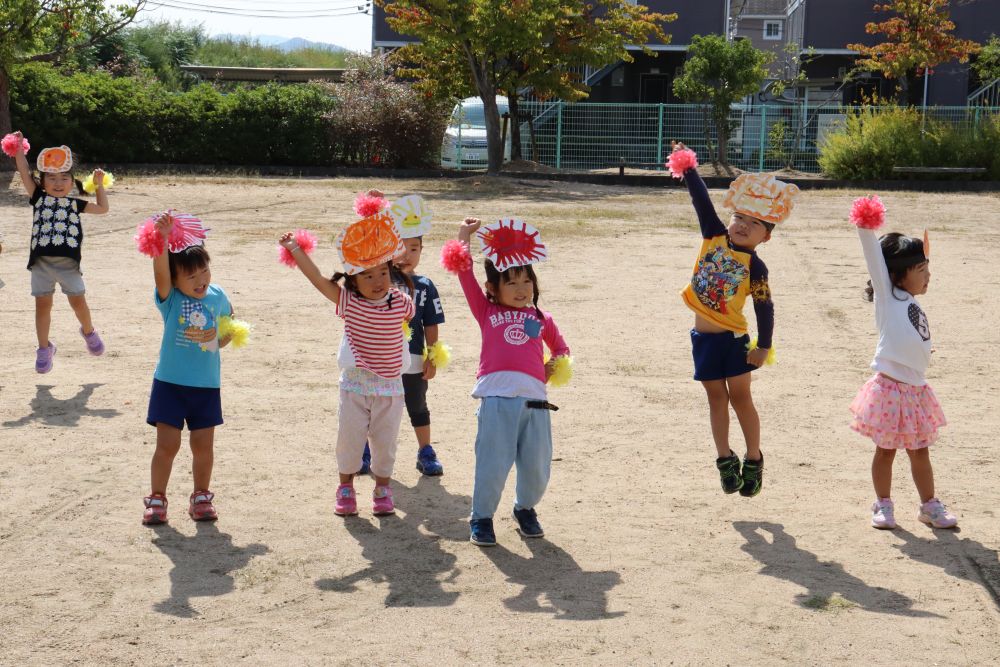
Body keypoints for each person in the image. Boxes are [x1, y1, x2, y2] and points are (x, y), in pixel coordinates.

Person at [673, 143, 799, 497]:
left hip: (733, 341)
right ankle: (724, 459)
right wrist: (688, 168)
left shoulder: (756, 267)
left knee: (741, 398)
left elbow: (764, 307)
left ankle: (754, 458)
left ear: (767, 236)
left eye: (754, 223)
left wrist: (765, 346)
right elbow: (701, 202)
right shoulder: (714, 237)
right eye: (739, 218)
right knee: (715, 399)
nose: (743, 226)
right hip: (703, 340)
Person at [444, 217, 571, 547]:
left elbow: (561, 349)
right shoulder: (486, 312)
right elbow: (463, 272)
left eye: (527, 281)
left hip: (536, 403)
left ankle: (525, 508)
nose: (521, 289)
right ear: (492, 288)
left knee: (537, 466)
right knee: (492, 462)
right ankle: (481, 517)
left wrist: (551, 368)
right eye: (511, 282)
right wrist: (463, 235)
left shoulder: (542, 318)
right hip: (497, 400)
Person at [278, 214, 414, 518]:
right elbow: (317, 279)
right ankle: (345, 488)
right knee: (349, 439)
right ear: (352, 280)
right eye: (367, 276)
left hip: (391, 387)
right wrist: (296, 249)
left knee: (385, 443)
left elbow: (402, 258)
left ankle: (382, 489)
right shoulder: (348, 302)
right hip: (355, 385)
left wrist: (378, 219)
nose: (377, 281)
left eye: (382, 273)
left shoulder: (401, 302)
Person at [848, 196, 956, 530]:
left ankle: (929, 506)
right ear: (896, 276)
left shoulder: (909, 300)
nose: (928, 276)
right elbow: (873, 257)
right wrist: (867, 226)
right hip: (889, 389)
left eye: (928, 269)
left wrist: (924, 351)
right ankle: (883, 504)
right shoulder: (888, 294)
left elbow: (914, 337)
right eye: (921, 270)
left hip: (916, 390)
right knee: (886, 450)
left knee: (920, 451)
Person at [143, 213, 234, 525]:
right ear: (176, 280)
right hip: (170, 383)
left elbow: (226, 332)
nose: (201, 281)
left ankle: (201, 496)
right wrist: (162, 240)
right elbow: (159, 272)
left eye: (204, 271)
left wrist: (220, 337)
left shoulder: (219, 296)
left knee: (202, 447)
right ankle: (157, 498)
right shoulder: (169, 298)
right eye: (191, 277)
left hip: (206, 385)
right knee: (167, 445)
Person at [357, 191, 447, 477]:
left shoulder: (425, 285)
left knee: (417, 404)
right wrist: (372, 215)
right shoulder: (378, 278)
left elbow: (431, 324)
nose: (407, 255)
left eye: (414, 249)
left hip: (413, 358)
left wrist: (433, 356)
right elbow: (360, 251)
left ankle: (425, 451)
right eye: (401, 247)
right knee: (374, 405)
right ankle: (365, 450)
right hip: (378, 358)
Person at [12, 136, 109, 373]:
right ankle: (44, 348)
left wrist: (99, 185)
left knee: (78, 302)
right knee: (42, 307)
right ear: (42, 182)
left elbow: (103, 208)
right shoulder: (38, 198)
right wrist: (17, 149)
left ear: (72, 182)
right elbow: (24, 172)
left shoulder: (76, 204)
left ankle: (88, 331)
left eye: (64, 178)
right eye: (51, 178)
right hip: (41, 265)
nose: (58, 182)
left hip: (69, 266)